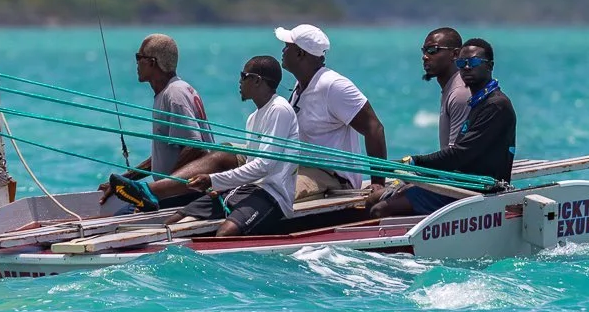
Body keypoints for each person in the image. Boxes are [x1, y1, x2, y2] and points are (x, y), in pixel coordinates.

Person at [109, 56, 299, 236]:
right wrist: (222, 185)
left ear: (257, 80)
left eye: (244, 76)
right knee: (175, 219)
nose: (239, 81)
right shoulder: (253, 118)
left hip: (273, 195)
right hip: (247, 188)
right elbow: (251, 162)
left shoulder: (279, 109)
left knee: (225, 233)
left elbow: (264, 166)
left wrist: (213, 180)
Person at [369, 38, 515, 218]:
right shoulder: (479, 101)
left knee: (380, 209)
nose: (467, 68)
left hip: (477, 190)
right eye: (462, 63)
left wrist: (414, 161)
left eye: (474, 62)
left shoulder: (495, 105)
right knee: (375, 199)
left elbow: (460, 154)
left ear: (489, 66)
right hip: (460, 181)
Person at [275, 23, 387, 199]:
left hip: (332, 178)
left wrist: (378, 183)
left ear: (300, 54)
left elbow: (374, 128)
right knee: (227, 157)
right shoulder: (301, 85)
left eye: (287, 46)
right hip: (300, 166)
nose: (283, 51)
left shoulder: (333, 86)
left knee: (274, 190)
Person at [100, 33, 212, 194]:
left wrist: (161, 189)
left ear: (152, 62)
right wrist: (125, 179)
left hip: (188, 192)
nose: (136, 63)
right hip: (175, 189)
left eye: (139, 57)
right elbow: (165, 157)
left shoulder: (174, 94)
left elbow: (196, 148)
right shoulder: (168, 92)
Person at [421, 26, 470, 150]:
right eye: (424, 51)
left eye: (432, 50)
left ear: (455, 54)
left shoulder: (460, 93)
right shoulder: (452, 88)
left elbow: (456, 155)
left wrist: (415, 162)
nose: (425, 56)